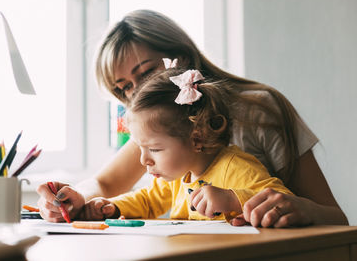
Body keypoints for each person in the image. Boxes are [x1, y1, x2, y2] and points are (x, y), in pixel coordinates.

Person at [37, 10, 348, 227]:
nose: (139, 93)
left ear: (181, 58)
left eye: (146, 73)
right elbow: (105, 184)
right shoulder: (160, 134)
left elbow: (336, 218)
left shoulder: (258, 111)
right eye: (124, 90)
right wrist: (70, 199)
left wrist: (300, 208)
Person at [78, 67, 293, 221]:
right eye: (141, 148)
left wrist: (233, 199)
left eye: (154, 149)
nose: (144, 159)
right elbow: (147, 200)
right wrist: (113, 207)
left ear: (196, 139)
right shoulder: (178, 176)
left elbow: (284, 201)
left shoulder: (235, 167)